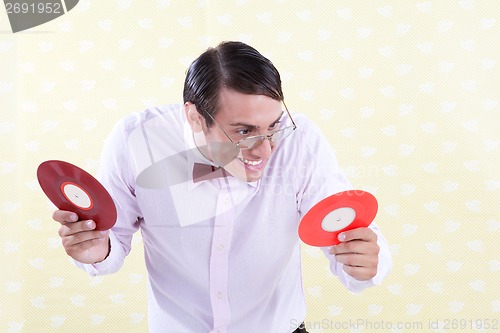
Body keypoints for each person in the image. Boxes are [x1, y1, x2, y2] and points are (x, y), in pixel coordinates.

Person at [53, 41, 392, 333]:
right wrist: (93, 249)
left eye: (273, 126)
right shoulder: (136, 140)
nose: (265, 150)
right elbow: (111, 246)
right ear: (195, 118)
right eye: (244, 132)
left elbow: (344, 230)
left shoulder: (300, 141)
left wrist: (365, 261)